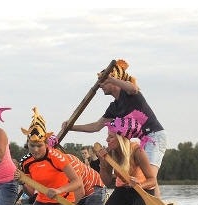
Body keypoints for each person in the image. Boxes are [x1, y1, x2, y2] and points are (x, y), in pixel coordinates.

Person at [59, 60, 168, 196]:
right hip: (143, 140)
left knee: (150, 177)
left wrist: (110, 78)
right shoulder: (114, 107)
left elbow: (134, 88)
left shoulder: (130, 94)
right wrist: (71, 127)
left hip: (155, 136)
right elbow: (97, 126)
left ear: (113, 81)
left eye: (103, 82)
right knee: (144, 177)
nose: (100, 86)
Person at [14, 108, 82, 205]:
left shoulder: (56, 156)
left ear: (45, 143)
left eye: (39, 145)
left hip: (63, 201)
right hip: (42, 201)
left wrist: (58, 190)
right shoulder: (26, 162)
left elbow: (77, 182)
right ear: (27, 143)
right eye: (32, 145)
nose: (35, 149)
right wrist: (22, 181)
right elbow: (31, 191)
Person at [96, 110, 159, 205]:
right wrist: (103, 163)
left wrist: (139, 185)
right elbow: (108, 182)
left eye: (111, 137)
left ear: (121, 139)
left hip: (142, 189)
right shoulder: (109, 153)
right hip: (123, 189)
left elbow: (152, 180)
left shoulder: (137, 151)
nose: (107, 139)